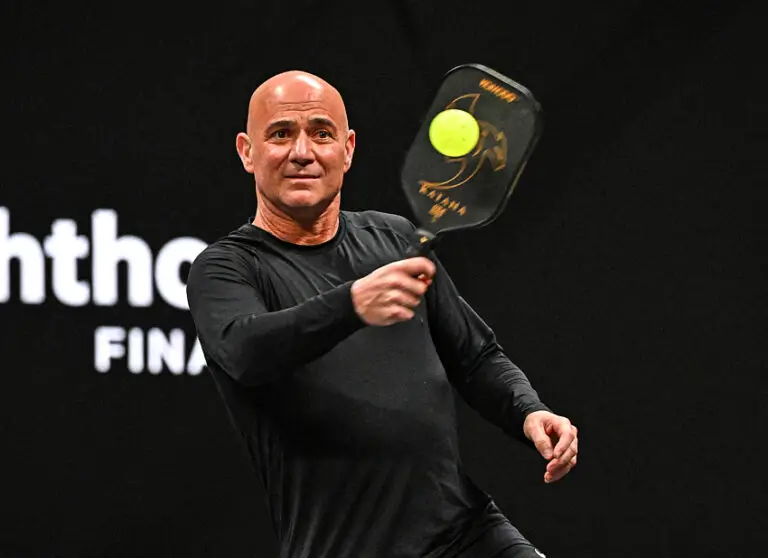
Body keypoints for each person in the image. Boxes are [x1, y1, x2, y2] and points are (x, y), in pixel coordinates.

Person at [186, 69, 578, 558]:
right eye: (281, 134)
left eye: (321, 134)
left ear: (347, 149)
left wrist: (529, 411)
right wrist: (352, 304)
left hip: (467, 535)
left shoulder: (394, 239)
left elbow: (475, 357)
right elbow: (245, 351)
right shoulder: (226, 268)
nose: (302, 152)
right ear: (247, 152)